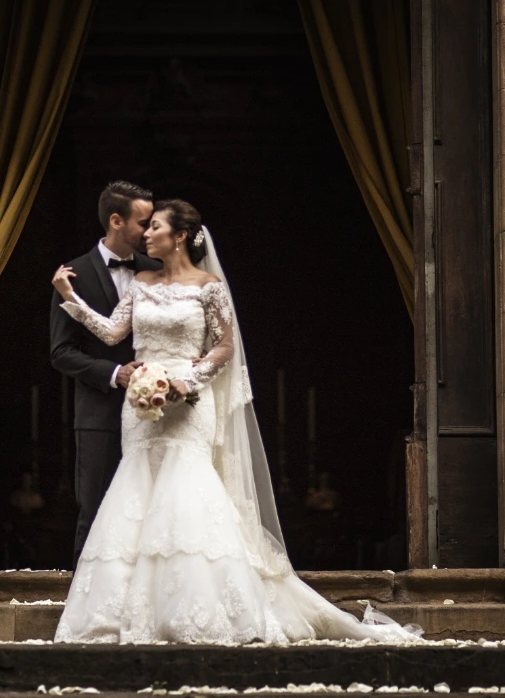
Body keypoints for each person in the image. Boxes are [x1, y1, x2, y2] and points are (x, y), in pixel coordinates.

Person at [51, 199, 420, 644]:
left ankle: (196, 608)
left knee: (187, 492)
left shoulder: (209, 287)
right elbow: (113, 333)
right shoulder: (141, 282)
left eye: (156, 228)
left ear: (180, 236)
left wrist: (186, 383)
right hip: (142, 409)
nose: (146, 234)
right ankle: (123, 611)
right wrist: (70, 299)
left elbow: (225, 347)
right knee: (137, 493)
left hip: (188, 403)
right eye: (145, 227)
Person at [50, 180, 161, 569]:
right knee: (95, 510)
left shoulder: (157, 271)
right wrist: (116, 373)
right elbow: (61, 353)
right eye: (143, 223)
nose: (150, 232)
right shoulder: (72, 276)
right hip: (98, 414)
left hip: (156, 412)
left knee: (153, 510)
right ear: (116, 220)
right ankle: (83, 604)